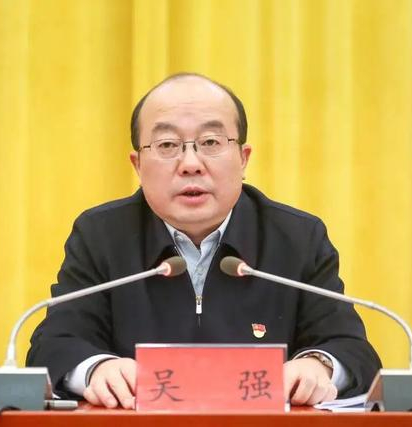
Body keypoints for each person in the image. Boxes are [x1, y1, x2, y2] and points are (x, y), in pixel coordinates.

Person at [26, 73, 382, 408]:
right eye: (167, 145)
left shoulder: (296, 237)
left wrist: (318, 365)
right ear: (137, 165)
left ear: (243, 158)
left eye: (211, 142)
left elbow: (352, 349)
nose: (190, 163)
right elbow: (53, 345)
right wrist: (96, 369)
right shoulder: (101, 235)